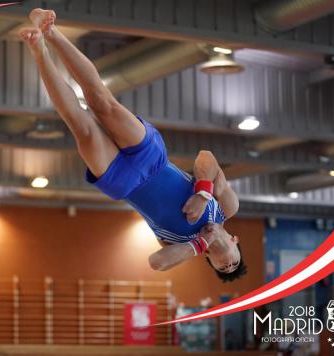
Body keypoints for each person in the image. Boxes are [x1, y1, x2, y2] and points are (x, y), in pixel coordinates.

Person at [19, 9, 247, 282]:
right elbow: (205, 158)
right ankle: (51, 32)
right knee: (102, 102)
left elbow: (156, 263)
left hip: (124, 182)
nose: (228, 263)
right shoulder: (226, 208)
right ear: (235, 241)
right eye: (234, 261)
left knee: (80, 124)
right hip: (152, 159)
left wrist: (197, 245)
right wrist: (202, 195)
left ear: (210, 260)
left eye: (223, 268)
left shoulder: (180, 244)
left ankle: (39, 49)